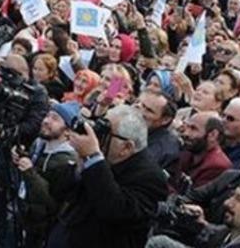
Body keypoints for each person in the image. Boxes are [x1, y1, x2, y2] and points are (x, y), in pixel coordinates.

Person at [49, 104, 168, 248]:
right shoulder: (99, 159)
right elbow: (57, 189)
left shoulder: (150, 177)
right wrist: (80, 167)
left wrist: (94, 159)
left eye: (106, 134)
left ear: (126, 147)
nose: (98, 139)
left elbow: (115, 211)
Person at [10, 101, 79, 248]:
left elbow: (51, 202)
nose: (46, 121)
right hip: (26, 216)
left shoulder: (67, 162)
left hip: (42, 230)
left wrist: (30, 172)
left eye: (55, 119)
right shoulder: (40, 143)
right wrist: (21, 157)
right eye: (48, 115)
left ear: (68, 131)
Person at [146, 177, 240, 248]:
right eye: (232, 196)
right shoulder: (230, 233)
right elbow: (210, 233)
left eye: (238, 200)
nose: (228, 203)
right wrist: (198, 224)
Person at [179, 111, 233, 188]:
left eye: (193, 128)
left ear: (213, 135)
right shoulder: (188, 151)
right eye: (187, 127)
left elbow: (193, 196)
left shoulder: (217, 166)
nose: (186, 133)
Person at [135, 91, 182, 174]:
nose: (138, 110)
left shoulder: (164, 148)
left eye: (148, 110)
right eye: (138, 104)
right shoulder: (131, 127)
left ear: (165, 120)